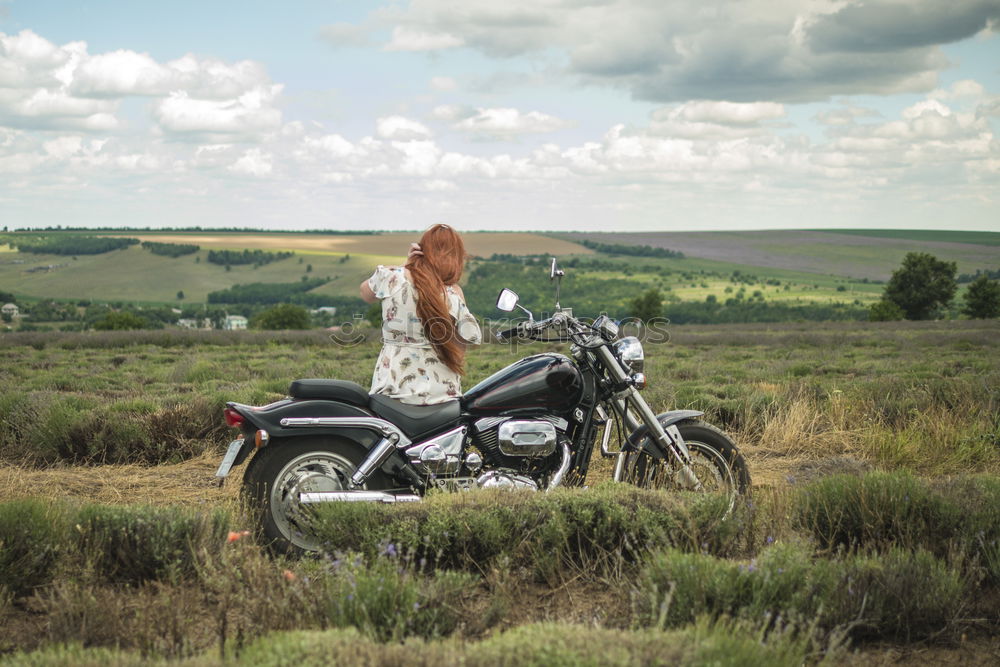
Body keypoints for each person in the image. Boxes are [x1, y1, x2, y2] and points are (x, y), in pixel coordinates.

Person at [360, 224, 482, 405]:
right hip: (442, 393)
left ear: (422, 249)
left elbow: (366, 294)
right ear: (456, 256)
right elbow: (459, 351)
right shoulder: (453, 293)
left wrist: (406, 265)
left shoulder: (392, 277)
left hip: (393, 389)